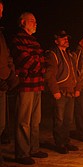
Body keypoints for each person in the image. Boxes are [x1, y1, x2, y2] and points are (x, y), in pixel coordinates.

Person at [10, 12, 48, 165]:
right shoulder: (17, 39)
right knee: (23, 121)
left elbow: (43, 61)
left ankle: (34, 148)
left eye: (36, 21)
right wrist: (39, 64)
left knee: (35, 120)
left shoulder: (34, 41)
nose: (35, 23)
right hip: (26, 86)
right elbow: (25, 59)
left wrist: (38, 63)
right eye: (32, 21)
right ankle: (22, 153)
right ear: (23, 22)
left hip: (37, 84)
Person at [44, 30, 79, 154]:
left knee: (68, 119)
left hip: (70, 91)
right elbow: (49, 75)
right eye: (62, 38)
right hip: (60, 92)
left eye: (67, 38)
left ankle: (66, 141)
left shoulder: (69, 55)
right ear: (56, 41)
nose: (66, 39)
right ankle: (59, 144)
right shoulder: (53, 54)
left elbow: (75, 73)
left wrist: (77, 88)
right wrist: (55, 90)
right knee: (59, 119)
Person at [0, 1, 19, 166]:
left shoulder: (1, 33)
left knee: (1, 123)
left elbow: (7, 57)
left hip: (3, 83)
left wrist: (11, 76)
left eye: (1, 11)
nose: (0, 14)